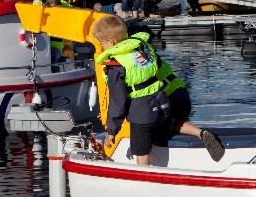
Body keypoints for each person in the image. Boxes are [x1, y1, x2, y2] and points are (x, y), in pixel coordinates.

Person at [91, 15, 224, 166]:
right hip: (162, 102)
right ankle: (201, 133)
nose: (101, 47)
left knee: (141, 151)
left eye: (102, 43)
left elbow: (118, 102)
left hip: (141, 112)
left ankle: (145, 177)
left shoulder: (115, 65)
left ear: (111, 42)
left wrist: (112, 131)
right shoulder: (142, 48)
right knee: (171, 124)